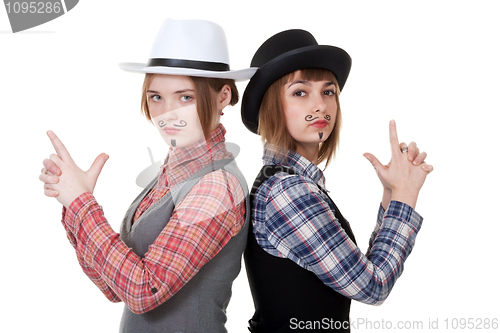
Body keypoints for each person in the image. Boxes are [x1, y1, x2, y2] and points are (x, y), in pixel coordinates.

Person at [39, 19, 256, 333]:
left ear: (223, 96)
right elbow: (114, 287)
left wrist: (82, 204)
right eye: (156, 97)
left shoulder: (216, 186)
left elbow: (144, 291)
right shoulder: (170, 173)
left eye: (185, 97)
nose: (167, 113)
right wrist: (73, 205)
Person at [241, 29, 433, 332]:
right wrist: (405, 196)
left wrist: (391, 193)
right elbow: (373, 286)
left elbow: (359, 271)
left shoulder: (293, 184)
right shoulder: (288, 191)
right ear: (271, 106)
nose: (320, 105)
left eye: (328, 92)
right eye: (300, 92)